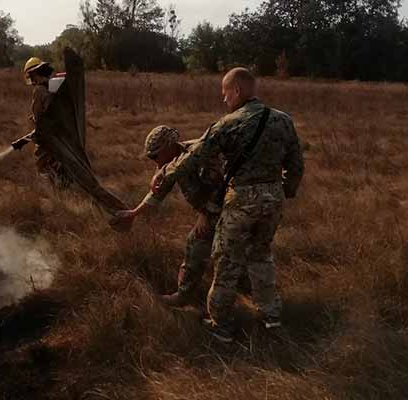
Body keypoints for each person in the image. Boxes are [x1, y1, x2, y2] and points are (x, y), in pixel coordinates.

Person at [118, 67, 304, 343]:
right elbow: (296, 164)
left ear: (237, 91)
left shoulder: (229, 124)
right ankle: (271, 317)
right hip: (273, 200)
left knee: (225, 263)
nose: (224, 100)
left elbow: (194, 157)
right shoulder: (283, 120)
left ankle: (221, 327)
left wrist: (164, 173)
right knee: (261, 256)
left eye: (225, 93)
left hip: (240, 200)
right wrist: (284, 189)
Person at [111, 125, 242, 305]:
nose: (155, 161)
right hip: (216, 211)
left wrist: (206, 214)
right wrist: (133, 214)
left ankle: (188, 297)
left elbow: (222, 185)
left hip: (233, 207)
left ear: (169, 147)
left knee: (199, 245)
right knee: (230, 252)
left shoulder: (198, 154)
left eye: (156, 155)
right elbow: (157, 192)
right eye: (151, 157)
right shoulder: (171, 164)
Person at [22, 57, 71, 187]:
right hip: (60, 133)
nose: (31, 80)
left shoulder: (39, 90)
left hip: (47, 136)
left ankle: (53, 193)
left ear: (34, 75)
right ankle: (64, 187)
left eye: (31, 76)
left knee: (43, 165)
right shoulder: (52, 86)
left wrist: (35, 127)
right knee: (57, 162)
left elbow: (39, 115)